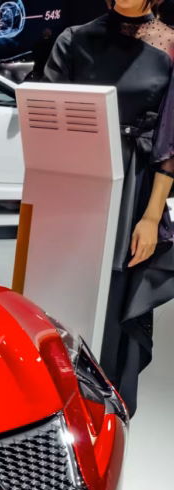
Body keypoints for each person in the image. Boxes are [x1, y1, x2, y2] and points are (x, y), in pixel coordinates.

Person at [46, 0, 174, 413]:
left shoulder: (169, 46)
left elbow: (169, 143)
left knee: (117, 296)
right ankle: (55, 397)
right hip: (74, 184)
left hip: (134, 190)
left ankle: (105, 409)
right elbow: (46, 114)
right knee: (63, 287)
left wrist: (152, 215)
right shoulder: (74, 38)